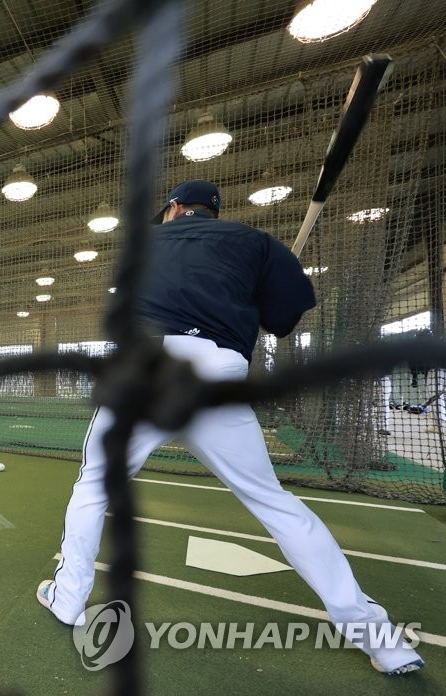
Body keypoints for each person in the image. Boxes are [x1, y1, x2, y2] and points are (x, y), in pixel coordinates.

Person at [37, 180, 424, 675]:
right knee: (277, 506)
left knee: (94, 487)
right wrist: (251, 299)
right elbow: (285, 321)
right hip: (217, 370)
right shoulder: (255, 243)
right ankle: (383, 640)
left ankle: (68, 599)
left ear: (174, 208)